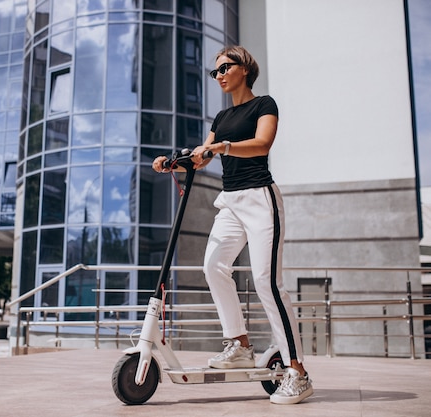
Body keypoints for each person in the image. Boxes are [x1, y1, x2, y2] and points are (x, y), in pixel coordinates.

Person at [152, 45, 313, 405]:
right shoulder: (221, 118)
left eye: (226, 67)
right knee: (212, 266)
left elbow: (261, 144)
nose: (219, 74)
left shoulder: (264, 104)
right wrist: (171, 163)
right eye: (215, 71)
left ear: (245, 68)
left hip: (260, 199)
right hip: (231, 203)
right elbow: (200, 158)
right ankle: (238, 343)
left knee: (265, 282)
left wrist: (223, 147)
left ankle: (298, 372)